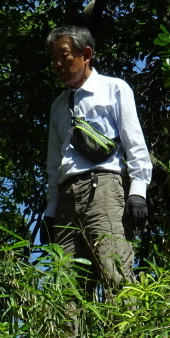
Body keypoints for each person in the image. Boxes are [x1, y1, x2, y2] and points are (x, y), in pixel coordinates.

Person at [43, 25, 151, 300]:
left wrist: (138, 192)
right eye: (53, 57)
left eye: (64, 55)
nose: (58, 64)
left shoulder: (114, 89)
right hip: (66, 198)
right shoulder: (58, 106)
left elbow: (134, 141)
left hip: (102, 188)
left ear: (86, 54)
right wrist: (51, 211)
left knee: (115, 272)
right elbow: (54, 163)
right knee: (67, 287)